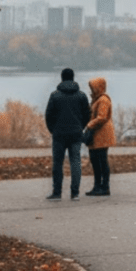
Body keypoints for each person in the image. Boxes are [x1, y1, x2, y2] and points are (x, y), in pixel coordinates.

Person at [44, 68, 91, 201]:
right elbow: (87, 115)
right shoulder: (82, 95)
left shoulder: (55, 95)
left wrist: (53, 129)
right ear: (73, 78)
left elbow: (48, 116)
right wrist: (80, 127)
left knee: (58, 163)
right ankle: (75, 193)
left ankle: (57, 192)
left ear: (62, 78)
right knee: (75, 162)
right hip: (76, 133)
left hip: (59, 134)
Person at [84, 77, 116, 197]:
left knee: (101, 161)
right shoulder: (97, 99)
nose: (91, 90)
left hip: (102, 134)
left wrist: (89, 125)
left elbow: (102, 117)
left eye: (93, 87)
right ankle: (97, 186)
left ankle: (104, 187)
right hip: (96, 133)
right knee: (95, 161)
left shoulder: (103, 100)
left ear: (99, 87)